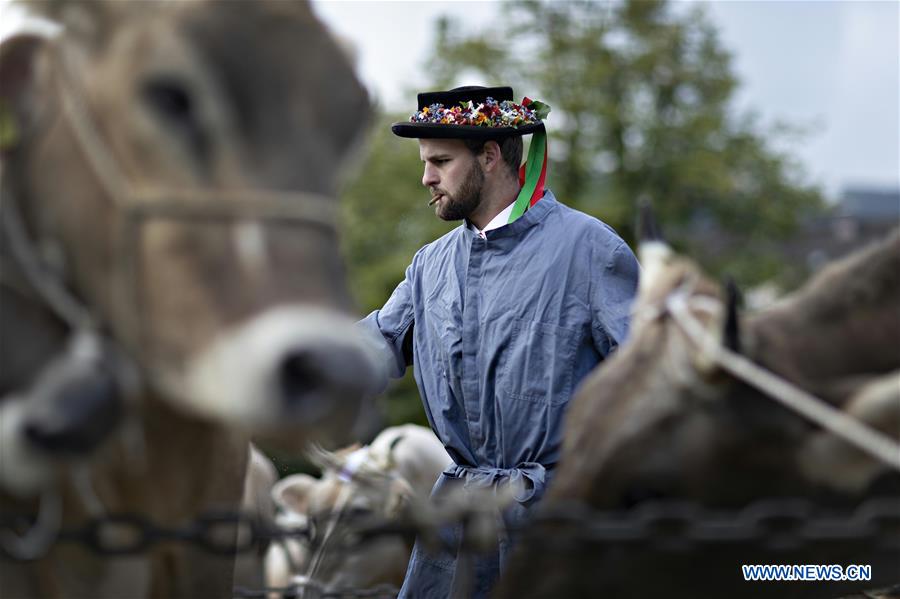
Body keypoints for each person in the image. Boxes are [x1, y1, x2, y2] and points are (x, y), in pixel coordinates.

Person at [358, 85, 639, 598]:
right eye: (426, 162)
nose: (426, 177)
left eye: (441, 160)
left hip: (562, 527)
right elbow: (365, 350)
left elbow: (651, 381)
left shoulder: (590, 248)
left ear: (490, 155)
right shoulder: (430, 266)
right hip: (460, 525)